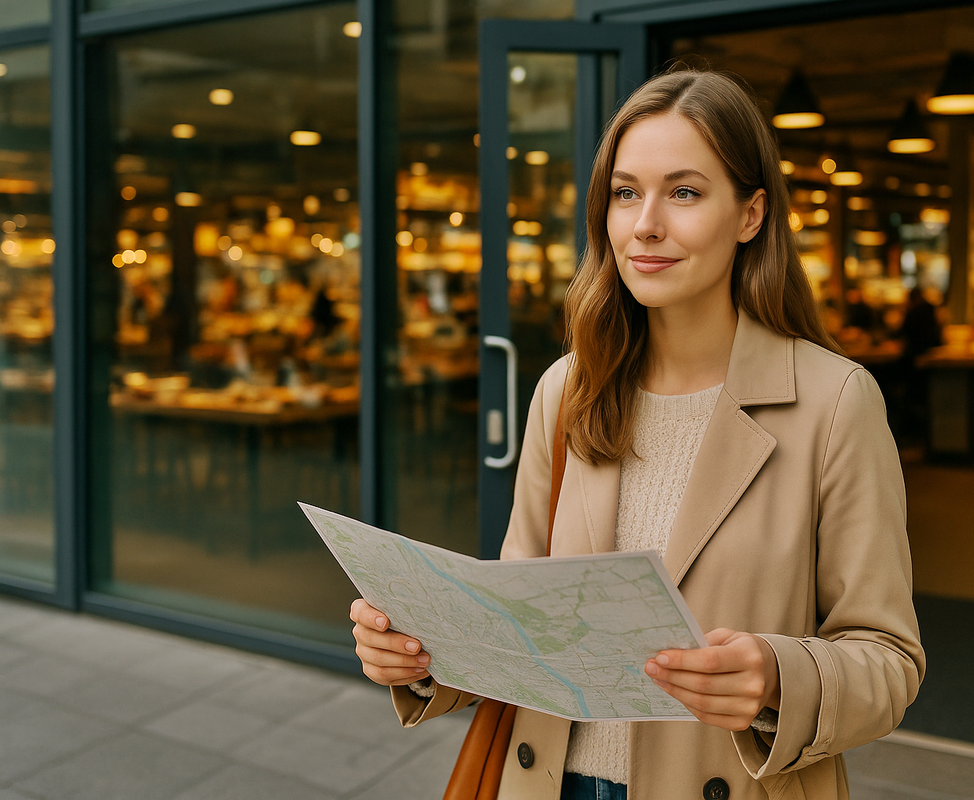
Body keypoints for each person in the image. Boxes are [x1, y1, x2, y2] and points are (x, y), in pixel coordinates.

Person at [350, 69, 924, 800]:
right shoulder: (568, 388)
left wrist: (779, 676)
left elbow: (889, 658)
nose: (645, 223)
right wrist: (420, 651)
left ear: (750, 214)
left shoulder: (835, 402)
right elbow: (518, 622)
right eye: (626, 193)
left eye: (684, 192)